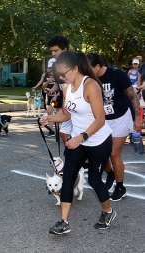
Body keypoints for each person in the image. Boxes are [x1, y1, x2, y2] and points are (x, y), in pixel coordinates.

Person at [41, 51, 115, 235]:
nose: (62, 78)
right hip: (78, 140)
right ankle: (63, 222)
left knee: (94, 179)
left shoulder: (90, 86)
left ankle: (108, 211)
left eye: (64, 74)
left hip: (98, 140)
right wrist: (49, 117)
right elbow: (67, 113)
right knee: (68, 179)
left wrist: (81, 137)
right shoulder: (67, 87)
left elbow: (100, 120)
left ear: (74, 69)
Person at [88, 53, 142, 201]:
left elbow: (132, 96)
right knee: (100, 152)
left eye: (89, 68)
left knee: (113, 154)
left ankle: (120, 187)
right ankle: (111, 174)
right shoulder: (91, 79)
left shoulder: (116, 74)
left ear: (98, 66)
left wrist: (138, 118)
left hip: (121, 118)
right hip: (103, 120)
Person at [45, 35, 71, 143]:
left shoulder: (76, 62)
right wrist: (53, 91)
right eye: (52, 51)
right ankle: (72, 157)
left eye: (56, 50)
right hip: (64, 102)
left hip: (79, 105)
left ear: (65, 49)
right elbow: (58, 84)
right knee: (64, 134)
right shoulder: (55, 66)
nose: (53, 54)